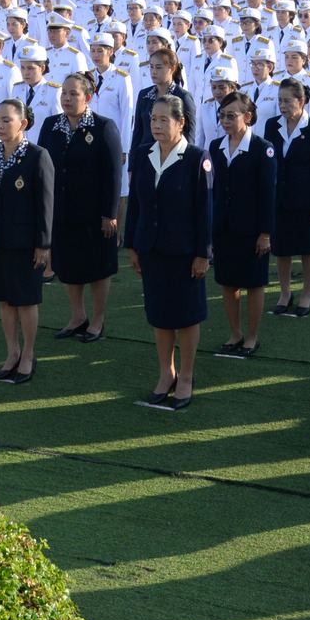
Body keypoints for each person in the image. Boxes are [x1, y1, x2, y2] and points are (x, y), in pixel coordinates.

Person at [124, 93, 212, 411]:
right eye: (153, 119)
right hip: (152, 249)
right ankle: (167, 373)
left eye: (164, 119)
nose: (157, 125)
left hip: (185, 253)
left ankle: (186, 376)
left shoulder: (196, 158)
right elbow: (136, 204)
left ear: (180, 123)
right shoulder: (144, 152)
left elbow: (205, 211)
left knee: (186, 317)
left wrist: (203, 254)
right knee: (160, 316)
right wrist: (132, 245)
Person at [0, 97, 55, 383]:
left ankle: (29, 355)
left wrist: (43, 244)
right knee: (4, 300)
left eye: (7, 120)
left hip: (25, 241)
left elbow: (45, 203)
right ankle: (12, 353)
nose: (0, 125)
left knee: (25, 300)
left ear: (24, 123)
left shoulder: (37, 155)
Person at [37, 72, 122, 342]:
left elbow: (113, 173)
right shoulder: (51, 125)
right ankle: (77, 316)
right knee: (68, 266)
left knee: (97, 266)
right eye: (64, 93)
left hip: (94, 214)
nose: (67, 98)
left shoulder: (103, 126)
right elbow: (42, 168)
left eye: (73, 94)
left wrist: (109, 213)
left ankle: (97, 319)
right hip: (61, 212)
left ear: (88, 97)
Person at [210, 90, 277, 358]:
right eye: (222, 115)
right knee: (228, 282)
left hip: (252, 230)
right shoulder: (215, 147)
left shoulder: (262, 148)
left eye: (231, 115)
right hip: (223, 227)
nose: (225, 120)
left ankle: (251, 336)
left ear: (247, 117)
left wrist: (265, 233)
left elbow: (268, 194)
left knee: (253, 283)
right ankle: (235, 333)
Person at [267, 77, 310, 317]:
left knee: (307, 249)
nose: (282, 106)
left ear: (301, 101)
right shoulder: (273, 125)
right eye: (280, 101)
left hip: (306, 200)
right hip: (280, 199)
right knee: (282, 250)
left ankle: (306, 293)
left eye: (287, 101)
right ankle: (285, 293)